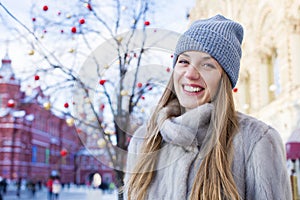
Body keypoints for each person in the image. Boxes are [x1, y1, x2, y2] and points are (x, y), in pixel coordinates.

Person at [124, 14, 292, 200]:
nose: (190, 74)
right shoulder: (143, 141)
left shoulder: (257, 141)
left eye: (207, 65)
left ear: (224, 79)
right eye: (184, 61)